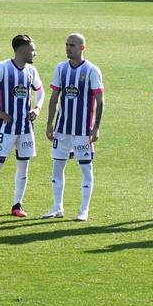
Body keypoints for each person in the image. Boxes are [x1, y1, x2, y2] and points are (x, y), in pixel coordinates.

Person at [0, 33, 43, 218]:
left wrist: (37, 107)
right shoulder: (3, 67)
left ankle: (17, 205)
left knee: (23, 166)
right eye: (33, 49)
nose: (35, 53)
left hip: (26, 128)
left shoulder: (31, 71)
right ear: (22, 50)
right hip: (6, 127)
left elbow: (41, 90)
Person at [42, 32, 103, 221]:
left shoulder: (92, 71)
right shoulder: (60, 69)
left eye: (73, 45)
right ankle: (57, 207)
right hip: (62, 129)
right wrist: (49, 124)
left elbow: (101, 102)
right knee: (57, 167)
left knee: (86, 168)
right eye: (67, 44)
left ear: (82, 48)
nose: (68, 48)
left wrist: (96, 127)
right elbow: (54, 98)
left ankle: (84, 210)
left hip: (82, 131)